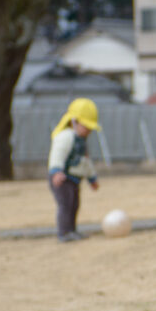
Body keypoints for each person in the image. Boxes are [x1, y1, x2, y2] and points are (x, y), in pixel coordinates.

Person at [48, 98, 102, 242]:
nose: (89, 130)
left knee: (74, 204)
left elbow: (85, 162)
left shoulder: (81, 141)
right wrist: (56, 171)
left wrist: (92, 178)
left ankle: (72, 230)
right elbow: (57, 154)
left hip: (74, 179)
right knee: (65, 204)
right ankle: (64, 232)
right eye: (86, 126)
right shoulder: (65, 137)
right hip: (62, 179)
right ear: (74, 121)